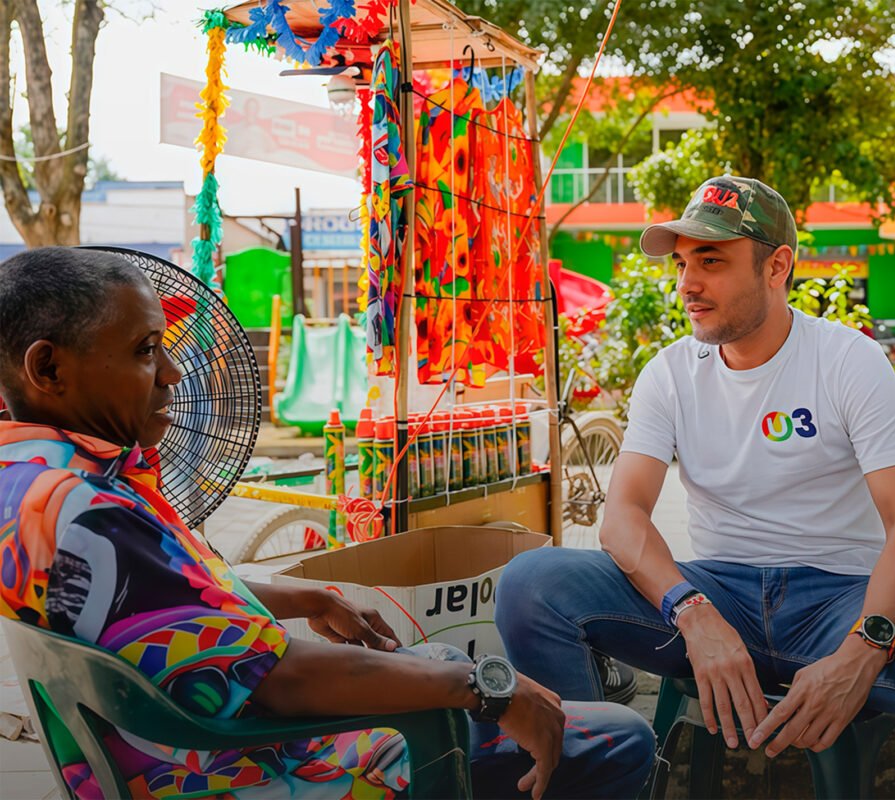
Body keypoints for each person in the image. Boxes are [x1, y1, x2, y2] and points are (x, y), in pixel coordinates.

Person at [0, 248, 655, 800]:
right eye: (146, 351)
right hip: (251, 770)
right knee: (617, 735)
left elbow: (170, 601)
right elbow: (282, 679)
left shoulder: (34, 481)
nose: (171, 373)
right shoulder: (91, 515)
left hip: (163, 752)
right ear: (48, 368)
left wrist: (308, 597)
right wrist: (490, 689)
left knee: (445, 658)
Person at [495, 176, 895, 760]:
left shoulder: (848, 360)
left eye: (711, 261)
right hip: (717, 592)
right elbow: (622, 517)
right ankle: (591, 771)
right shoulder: (670, 374)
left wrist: (863, 649)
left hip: (841, 600)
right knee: (530, 584)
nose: (687, 283)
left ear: (777, 267)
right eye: (681, 263)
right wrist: (691, 611)